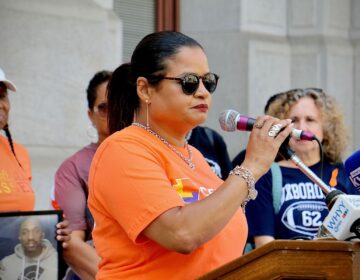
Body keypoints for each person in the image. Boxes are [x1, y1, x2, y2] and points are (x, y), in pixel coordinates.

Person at [87, 31, 293, 279]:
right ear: (145, 90)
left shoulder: (194, 156)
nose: (203, 92)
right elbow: (182, 234)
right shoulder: (122, 150)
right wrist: (252, 167)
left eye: (209, 82)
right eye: (189, 82)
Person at [245, 88, 357, 249]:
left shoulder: (344, 174)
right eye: (294, 120)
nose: (302, 127)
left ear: (326, 130)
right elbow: (264, 245)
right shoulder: (266, 175)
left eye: (310, 120)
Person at [0, 66, 71, 247]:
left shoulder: (19, 153)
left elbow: (21, 220)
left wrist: (51, 228)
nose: (1, 105)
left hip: (17, 260)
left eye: (2, 96)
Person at [54, 70, 111, 279]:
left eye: (121, 103)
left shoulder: (152, 156)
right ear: (90, 115)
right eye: (104, 107)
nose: (114, 112)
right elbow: (71, 243)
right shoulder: (74, 168)